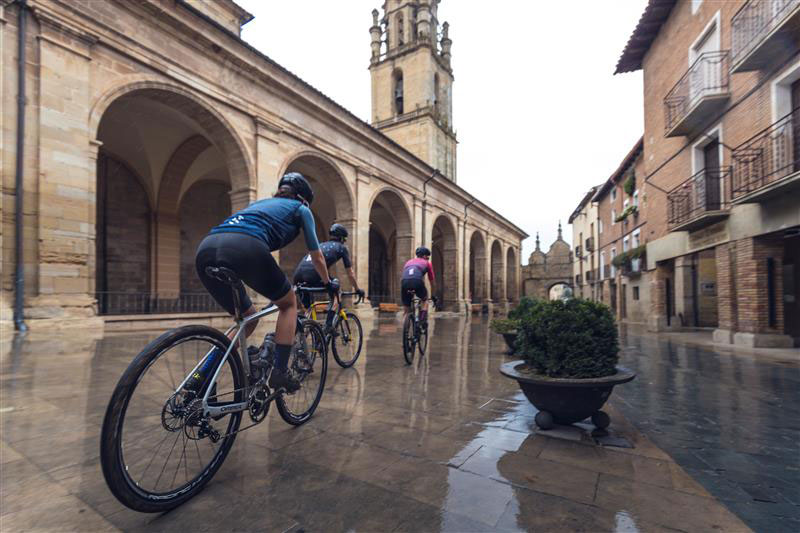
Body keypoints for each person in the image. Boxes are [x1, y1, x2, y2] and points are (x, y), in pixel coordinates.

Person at [194, 172, 338, 393]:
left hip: (206, 248)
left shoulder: (259, 203)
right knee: (289, 303)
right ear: (304, 198)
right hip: (244, 246)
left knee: (247, 318)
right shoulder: (301, 208)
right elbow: (317, 257)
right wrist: (327, 282)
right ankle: (280, 372)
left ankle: (201, 374)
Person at [293, 223, 365, 331]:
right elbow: (350, 273)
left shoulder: (321, 244)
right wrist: (358, 289)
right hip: (313, 274)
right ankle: (329, 325)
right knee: (337, 290)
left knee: (309, 307)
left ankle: (310, 330)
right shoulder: (341, 248)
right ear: (342, 238)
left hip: (298, 275)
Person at [400, 246, 437, 327]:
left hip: (404, 282)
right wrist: (433, 295)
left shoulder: (408, 262)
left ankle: (405, 330)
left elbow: (405, 275)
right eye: (427, 256)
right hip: (417, 281)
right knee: (425, 300)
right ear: (424, 256)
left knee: (406, 309)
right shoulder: (427, 263)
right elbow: (432, 281)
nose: (428, 258)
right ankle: (422, 320)